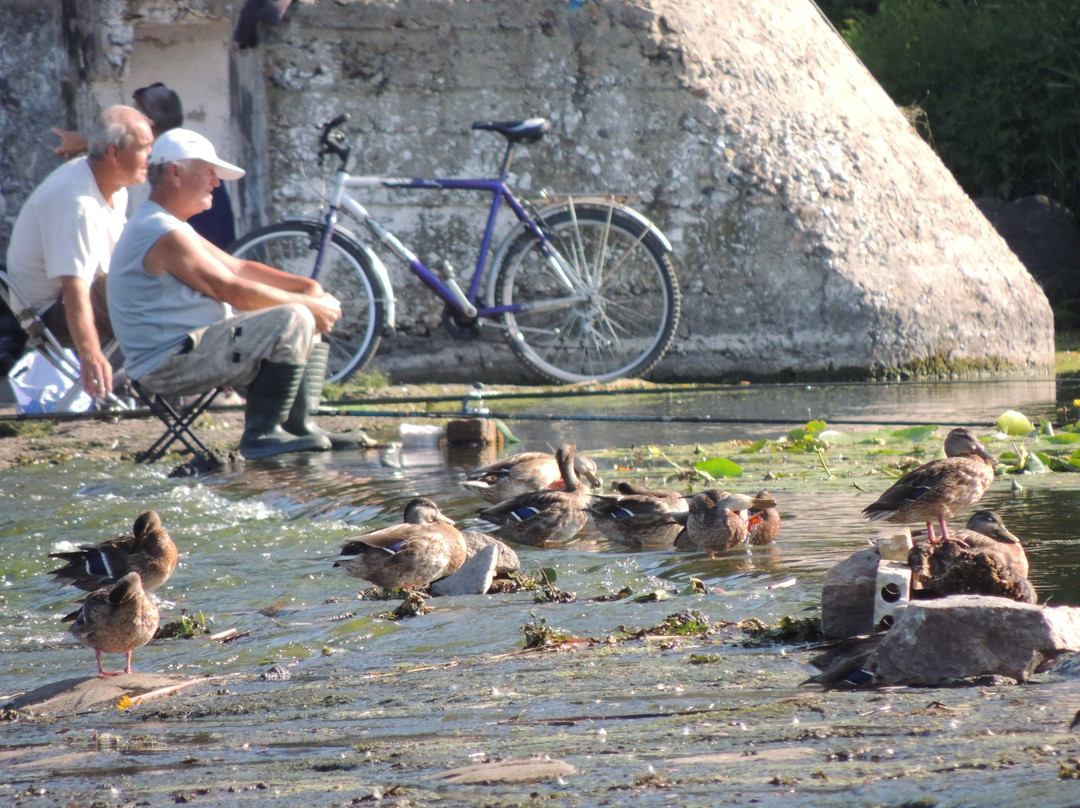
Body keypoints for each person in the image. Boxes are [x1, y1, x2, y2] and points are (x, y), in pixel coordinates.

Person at [108, 128, 368, 459]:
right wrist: (308, 304)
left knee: (300, 310)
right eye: (210, 174)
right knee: (294, 316)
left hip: (187, 350)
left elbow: (236, 268)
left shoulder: (166, 223)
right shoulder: (162, 231)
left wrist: (305, 287)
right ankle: (262, 436)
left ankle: (299, 428)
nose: (217, 183)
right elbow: (231, 290)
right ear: (175, 173)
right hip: (168, 364)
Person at [7, 105, 154, 399]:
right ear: (114, 153)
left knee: (171, 264)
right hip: (53, 311)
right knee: (165, 283)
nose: (151, 157)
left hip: (91, 292)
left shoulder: (115, 186)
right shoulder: (77, 204)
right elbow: (75, 289)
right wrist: (91, 357)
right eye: (145, 149)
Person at [53, 83, 237, 249]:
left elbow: (123, 149)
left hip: (204, 244)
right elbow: (124, 148)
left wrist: (86, 142)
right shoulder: (184, 146)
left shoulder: (167, 156)